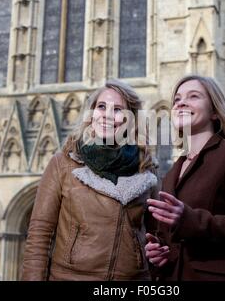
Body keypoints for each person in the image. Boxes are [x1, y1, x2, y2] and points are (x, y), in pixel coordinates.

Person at [22, 79, 158, 281]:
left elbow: (155, 236)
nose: (107, 115)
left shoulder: (146, 168)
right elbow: (39, 235)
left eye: (118, 109)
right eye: (101, 106)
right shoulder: (64, 163)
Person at [145, 75, 225, 281]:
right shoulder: (173, 171)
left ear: (214, 112)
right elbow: (174, 236)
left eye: (194, 96)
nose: (181, 102)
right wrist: (158, 252)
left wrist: (190, 219)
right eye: (177, 99)